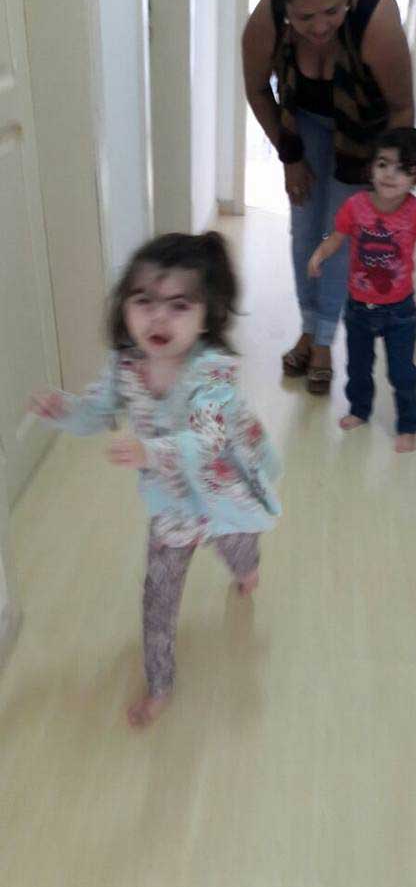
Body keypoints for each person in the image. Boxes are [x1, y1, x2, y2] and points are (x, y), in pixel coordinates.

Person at [29, 232, 281, 727]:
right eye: (143, 301)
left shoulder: (214, 374)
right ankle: (160, 684)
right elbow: (97, 412)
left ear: (206, 315)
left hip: (223, 495)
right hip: (171, 510)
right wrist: (64, 411)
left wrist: (149, 452)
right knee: (158, 601)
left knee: (239, 548)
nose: (158, 318)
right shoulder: (125, 366)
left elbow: (207, 441)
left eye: (179, 305)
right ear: (124, 306)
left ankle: (247, 570)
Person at [243, 0, 414, 394]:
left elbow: (401, 107)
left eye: (332, 12)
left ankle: (322, 341)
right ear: (284, 5)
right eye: (304, 17)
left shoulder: (376, 19)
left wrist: (388, 184)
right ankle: (307, 326)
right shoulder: (265, 21)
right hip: (304, 122)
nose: (319, 27)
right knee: (304, 229)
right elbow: (258, 89)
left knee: (341, 236)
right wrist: (290, 157)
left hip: (364, 136)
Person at [308, 127, 416, 453]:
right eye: (383, 163)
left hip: (400, 312)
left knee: (402, 373)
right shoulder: (356, 206)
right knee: (358, 367)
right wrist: (320, 253)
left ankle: (408, 424)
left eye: (401, 168)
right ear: (372, 166)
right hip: (358, 308)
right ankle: (360, 409)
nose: (389, 174)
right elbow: (336, 237)